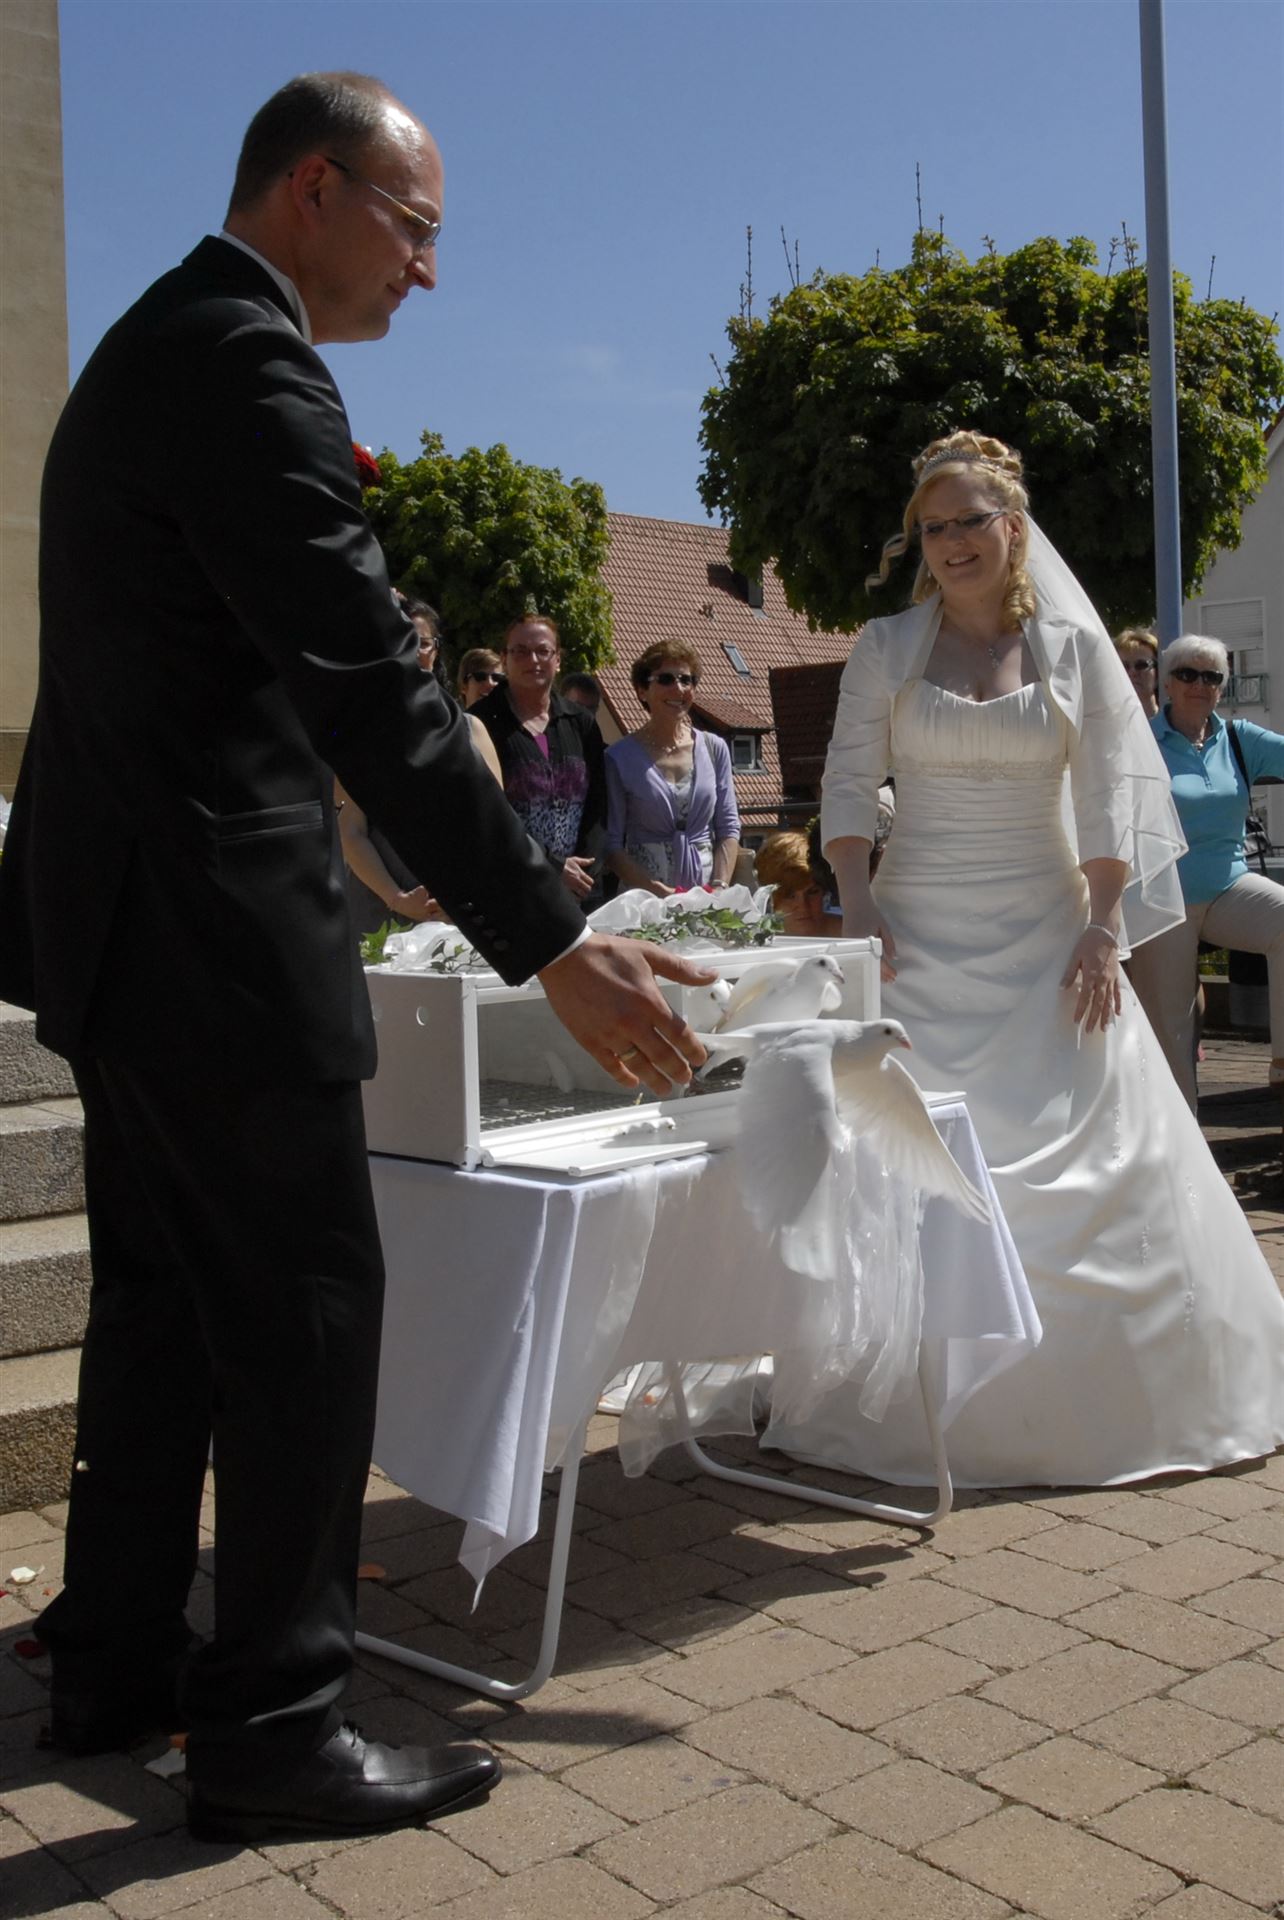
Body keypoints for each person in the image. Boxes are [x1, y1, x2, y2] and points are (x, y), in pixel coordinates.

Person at [0, 71, 714, 1841]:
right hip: (221, 937)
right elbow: (376, 700)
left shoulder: (160, 343)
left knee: (164, 1306)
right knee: (307, 1315)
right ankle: (273, 1728)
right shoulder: (247, 367)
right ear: (312, 190)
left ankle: (114, 1657)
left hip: (123, 923)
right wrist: (553, 944)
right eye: (416, 226)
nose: (428, 270)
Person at [768, 429, 1284, 1490]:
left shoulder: (1074, 652)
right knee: (908, 1142)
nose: (951, 542)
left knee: (1091, 1139)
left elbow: (1106, 796)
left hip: (1051, 929)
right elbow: (850, 783)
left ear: (1013, 527)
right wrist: (859, 900)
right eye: (932, 527)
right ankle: (903, 1389)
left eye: (969, 521)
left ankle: (1111, 1398)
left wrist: (1104, 924)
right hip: (915, 931)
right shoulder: (885, 646)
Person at [1129, 634, 1284, 1106]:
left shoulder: (1238, 738)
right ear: (1168, 683)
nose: (1199, 684)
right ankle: (1183, 1138)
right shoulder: (1139, 740)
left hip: (1227, 886)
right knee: (1170, 1032)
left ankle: (1282, 1062)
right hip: (1160, 896)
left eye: (1211, 676)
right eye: (1187, 674)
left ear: (1222, 687)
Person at [336, 600, 503, 935]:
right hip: (380, 913)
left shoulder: (472, 731)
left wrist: (465, 891)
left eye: (422, 643)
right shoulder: (359, 736)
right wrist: (397, 898)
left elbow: (495, 823)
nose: (412, 651)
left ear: (436, 651)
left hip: (463, 909)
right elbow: (351, 830)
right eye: (400, 640)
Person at [472, 616, 606, 901]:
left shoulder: (581, 723)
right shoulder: (480, 723)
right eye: (520, 651)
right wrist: (553, 867)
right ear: (504, 659)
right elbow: (489, 812)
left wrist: (585, 868)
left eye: (543, 651)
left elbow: (599, 805)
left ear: (557, 660)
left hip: (579, 890)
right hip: (509, 888)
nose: (533, 660)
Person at [604, 641, 741, 895]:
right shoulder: (618, 758)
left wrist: (719, 887)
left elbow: (729, 826)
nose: (678, 688)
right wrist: (657, 891)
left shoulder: (714, 748)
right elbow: (612, 845)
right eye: (665, 679)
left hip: (707, 899)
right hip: (645, 900)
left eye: (686, 680)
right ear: (642, 691)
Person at [753, 831, 828, 936]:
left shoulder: (849, 934)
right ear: (768, 897)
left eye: (812, 892)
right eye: (789, 895)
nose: (803, 907)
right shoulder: (747, 940)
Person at [1114, 626, 1160, 717]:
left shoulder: (1173, 723)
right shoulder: (1104, 722)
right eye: (1124, 666)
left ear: (1158, 672)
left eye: (1141, 665)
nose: (1132, 673)